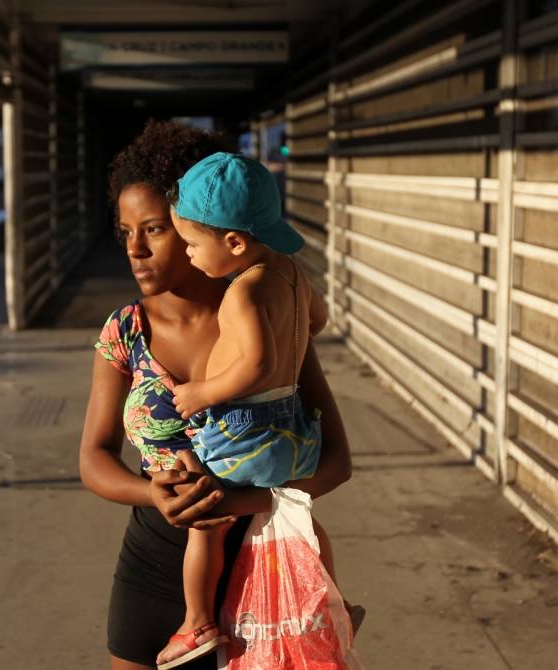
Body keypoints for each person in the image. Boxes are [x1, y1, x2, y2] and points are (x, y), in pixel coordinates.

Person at [78, 120, 353, 670]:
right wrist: (153, 493)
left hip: (266, 569)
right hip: (152, 569)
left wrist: (232, 503)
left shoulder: (265, 321)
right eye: (125, 231)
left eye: (155, 230)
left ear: (211, 229)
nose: (135, 249)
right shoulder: (124, 333)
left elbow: (336, 463)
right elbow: (93, 458)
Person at [155, 151, 336, 668]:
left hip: (246, 433)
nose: (188, 254)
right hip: (294, 429)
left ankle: (196, 622)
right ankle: (330, 599)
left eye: (192, 244)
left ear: (235, 242)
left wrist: (202, 393)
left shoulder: (244, 290)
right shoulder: (292, 273)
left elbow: (257, 366)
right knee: (297, 516)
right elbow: (317, 321)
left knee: (205, 521)